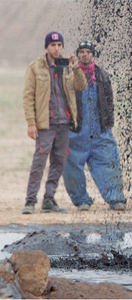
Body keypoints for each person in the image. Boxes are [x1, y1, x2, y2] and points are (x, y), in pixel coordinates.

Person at [22, 32, 88, 214]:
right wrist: (31, 122)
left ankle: (48, 200)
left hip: (64, 122)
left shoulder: (66, 66)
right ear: (46, 47)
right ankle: (30, 201)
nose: (57, 48)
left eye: (59, 45)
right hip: (45, 123)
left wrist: (76, 68)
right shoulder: (35, 67)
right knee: (39, 162)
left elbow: (82, 86)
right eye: (53, 45)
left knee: (59, 162)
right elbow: (28, 96)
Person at [63, 40, 126, 211]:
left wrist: (108, 123)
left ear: (93, 54)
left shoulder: (102, 75)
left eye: (88, 51)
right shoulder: (69, 75)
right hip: (76, 130)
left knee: (108, 162)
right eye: (81, 51)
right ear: (77, 55)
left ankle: (116, 199)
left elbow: (109, 100)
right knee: (71, 165)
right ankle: (81, 200)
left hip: (99, 129)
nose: (84, 54)